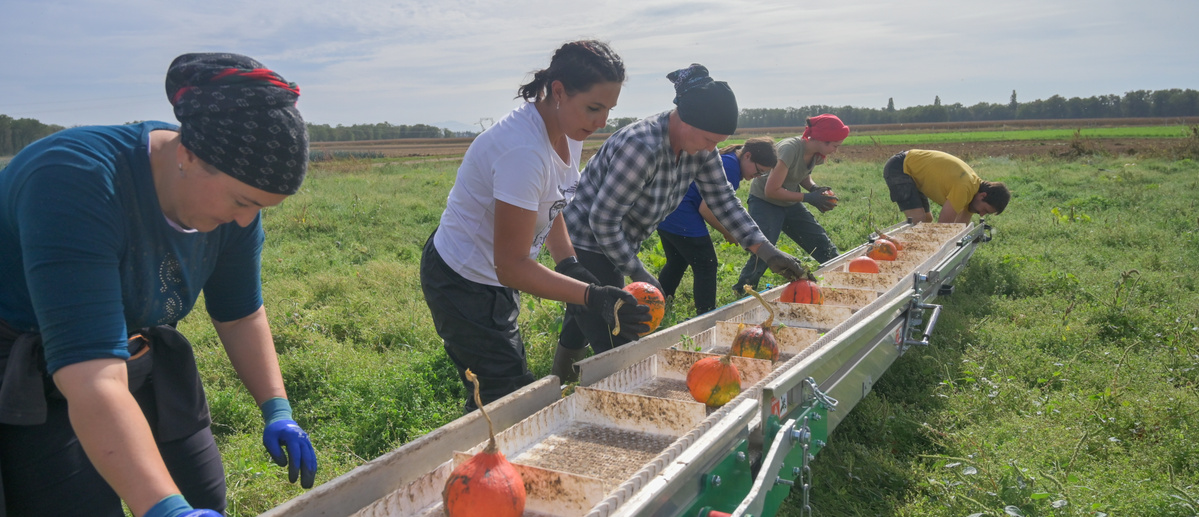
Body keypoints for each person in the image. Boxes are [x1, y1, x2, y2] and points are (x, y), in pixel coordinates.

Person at [0, 53, 317, 517]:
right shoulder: (73, 181)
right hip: (27, 361)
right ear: (188, 155)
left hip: (133, 345)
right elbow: (91, 376)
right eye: (242, 201)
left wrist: (278, 410)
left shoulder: (234, 205)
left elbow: (240, 313)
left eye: (261, 208)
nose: (245, 221)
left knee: (203, 496)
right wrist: (165, 510)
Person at [420, 40, 649, 412]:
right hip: (462, 281)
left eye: (609, 109)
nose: (602, 122)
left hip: (495, 276)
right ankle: (476, 449)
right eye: (594, 108)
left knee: (502, 387)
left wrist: (568, 262)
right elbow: (511, 266)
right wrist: (593, 296)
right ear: (558, 91)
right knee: (508, 398)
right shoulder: (523, 152)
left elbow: (549, 201)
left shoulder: (567, 129)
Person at [553, 64, 808, 381]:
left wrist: (766, 251)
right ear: (684, 119)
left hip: (619, 240)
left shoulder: (701, 149)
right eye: (708, 139)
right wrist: (639, 272)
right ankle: (612, 390)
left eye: (718, 142)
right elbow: (603, 221)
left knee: (582, 315)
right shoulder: (641, 148)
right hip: (584, 240)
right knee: (618, 335)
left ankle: (560, 381)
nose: (712, 149)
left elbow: (723, 200)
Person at [656, 138, 777, 315]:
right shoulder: (730, 168)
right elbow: (706, 209)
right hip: (681, 215)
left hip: (666, 212)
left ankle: (657, 303)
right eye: (758, 171)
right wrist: (729, 233)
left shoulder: (729, 159)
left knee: (677, 261)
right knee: (706, 264)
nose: (757, 176)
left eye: (762, 174)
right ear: (747, 156)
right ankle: (706, 315)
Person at [734, 114, 849, 294]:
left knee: (820, 242)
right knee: (766, 250)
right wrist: (808, 197)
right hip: (765, 201)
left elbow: (800, 175)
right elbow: (771, 190)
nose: (835, 150)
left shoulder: (816, 154)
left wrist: (814, 189)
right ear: (823, 139)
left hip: (789, 200)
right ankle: (743, 290)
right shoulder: (790, 149)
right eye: (835, 145)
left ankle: (844, 281)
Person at [882, 149, 1011, 223]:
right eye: (985, 210)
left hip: (912, 170)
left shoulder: (973, 191)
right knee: (918, 219)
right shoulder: (964, 188)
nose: (981, 214)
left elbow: (960, 227)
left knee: (927, 219)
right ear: (982, 196)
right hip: (900, 167)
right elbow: (944, 226)